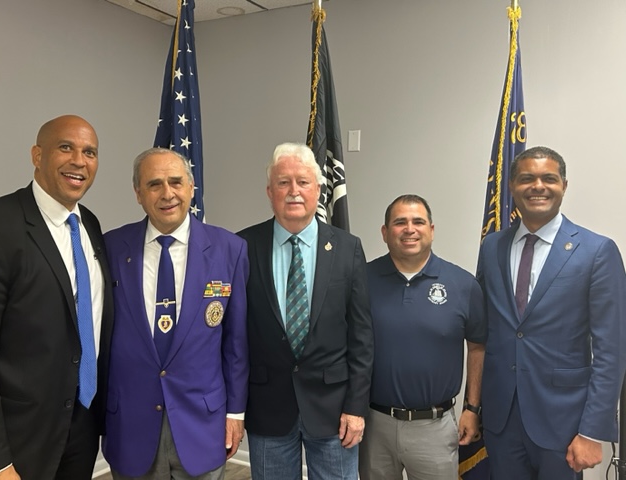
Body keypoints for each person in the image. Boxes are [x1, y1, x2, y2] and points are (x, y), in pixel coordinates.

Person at [477, 146, 626, 479]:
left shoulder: (596, 251)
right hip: (502, 420)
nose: (538, 186)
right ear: (513, 187)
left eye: (549, 179)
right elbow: (487, 331)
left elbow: (611, 351)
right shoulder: (491, 248)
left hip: (564, 423)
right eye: (527, 179)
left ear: (564, 186)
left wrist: (592, 431)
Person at [102, 148, 249, 479]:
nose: (167, 193)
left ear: (191, 187)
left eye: (175, 182)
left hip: (203, 422)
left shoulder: (230, 249)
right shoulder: (111, 247)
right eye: (154, 184)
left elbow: (236, 342)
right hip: (131, 423)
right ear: (138, 193)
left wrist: (235, 413)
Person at [0, 115, 114, 480]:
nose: (79, 160)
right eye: (65, 147)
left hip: (83, 423)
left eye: (90, 152)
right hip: (19, 435)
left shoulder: (90, 223)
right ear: (36, 155)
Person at [238, 142, 373, 480]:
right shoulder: (243, 246)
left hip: (334, 409)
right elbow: (235, 336)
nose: (293, 191)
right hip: (268, 407)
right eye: (284, 183)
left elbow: (361, 337)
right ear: (270, 191)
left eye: (303, 182)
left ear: (318, 189)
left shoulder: (347, 248)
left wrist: (356, 408)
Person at [358, 194, 486, 480]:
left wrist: (472, 407)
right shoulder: (361, 280)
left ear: (431, 229)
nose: (409, 229)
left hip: (435, 428)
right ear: (384, 232)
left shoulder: (463, 285)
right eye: (399, 222)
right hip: (374, 424)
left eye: (418, 221)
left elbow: (477, 346)